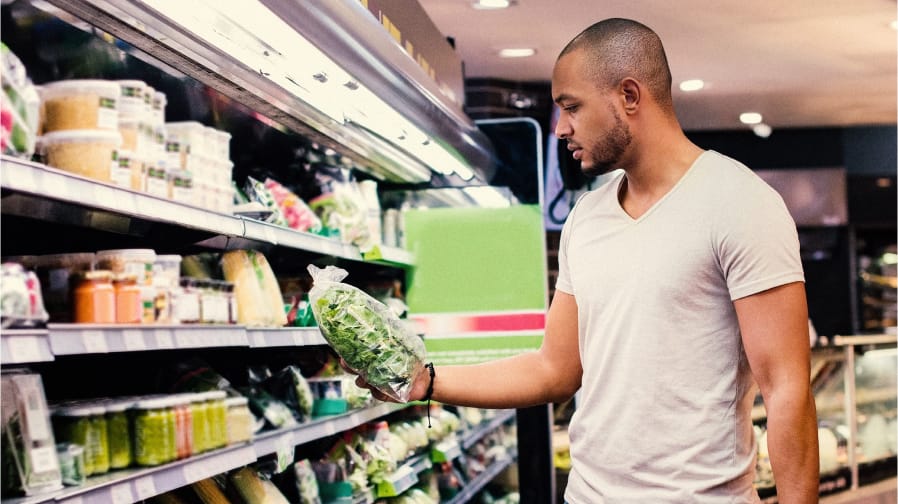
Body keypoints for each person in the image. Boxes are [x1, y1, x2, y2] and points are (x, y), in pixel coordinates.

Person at [357, 18, 820, 503]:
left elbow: (787, 390)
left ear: (629, 96)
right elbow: (553, 370)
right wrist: (426, 381)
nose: (561, 129)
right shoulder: (587, 216)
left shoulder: (739, 202)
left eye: (571, 107)